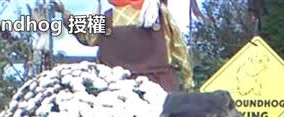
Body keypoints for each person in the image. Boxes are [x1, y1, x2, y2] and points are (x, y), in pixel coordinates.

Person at [53, 0, 194, 92]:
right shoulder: (159, 14)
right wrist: (188, 79)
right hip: (157, 88)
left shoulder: (108, 17)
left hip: (119, 92)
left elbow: (87, 36)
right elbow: (178, 46)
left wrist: (65, 13)